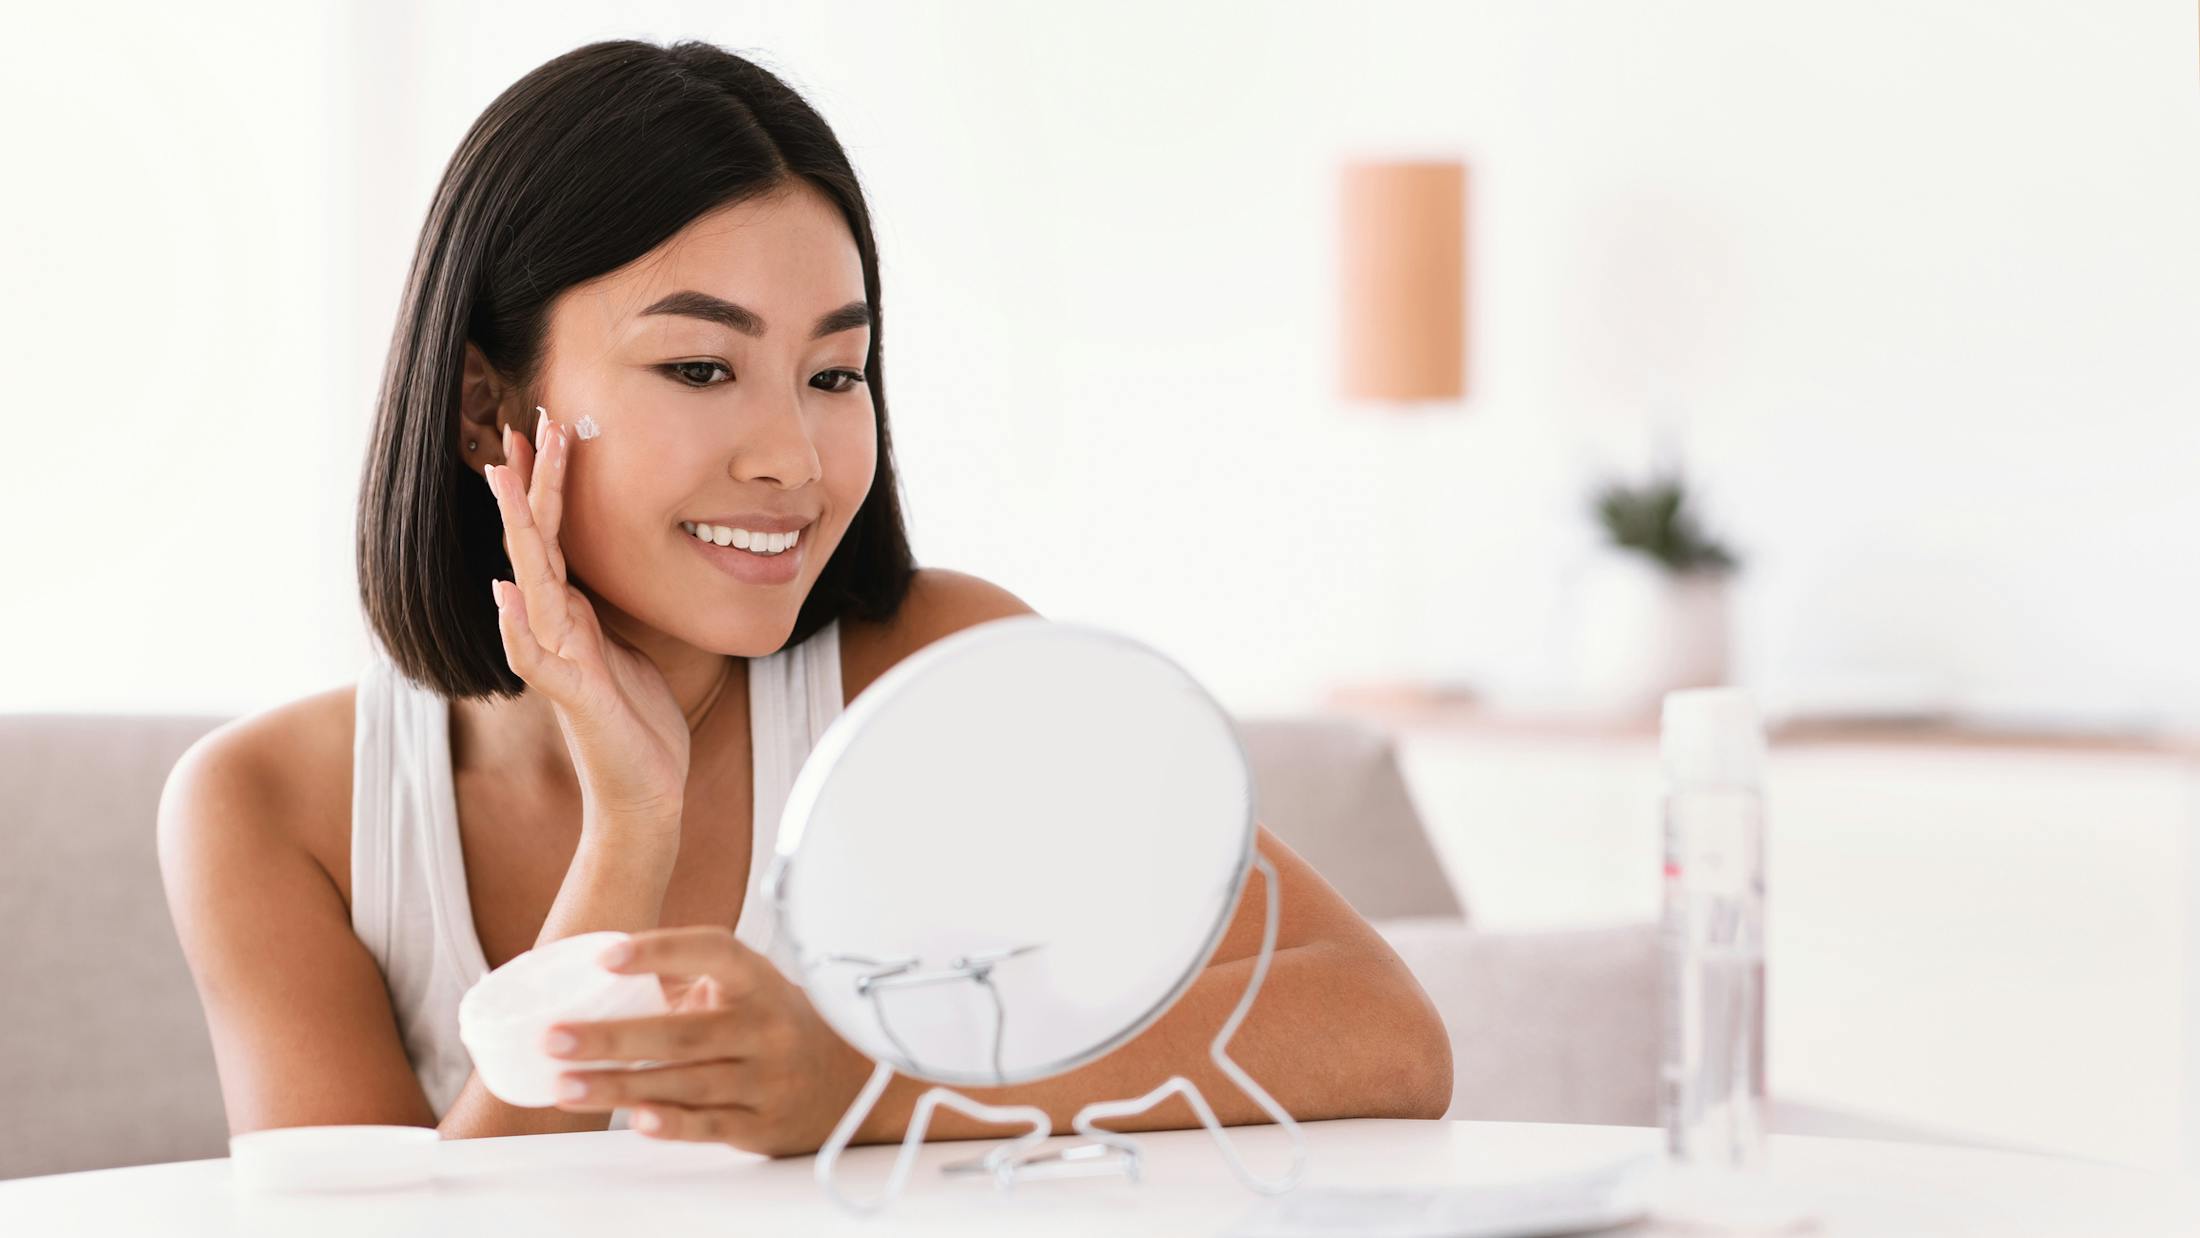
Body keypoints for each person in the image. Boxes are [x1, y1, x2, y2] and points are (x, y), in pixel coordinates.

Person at [156, 37, 1451, 1159]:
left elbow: (1383, 1034)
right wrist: (629, 828)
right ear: (490, 405)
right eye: (702, 366)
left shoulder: (937, 671)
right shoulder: (270, 809)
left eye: (836, 374)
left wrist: (867, 1087)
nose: (792, 456)